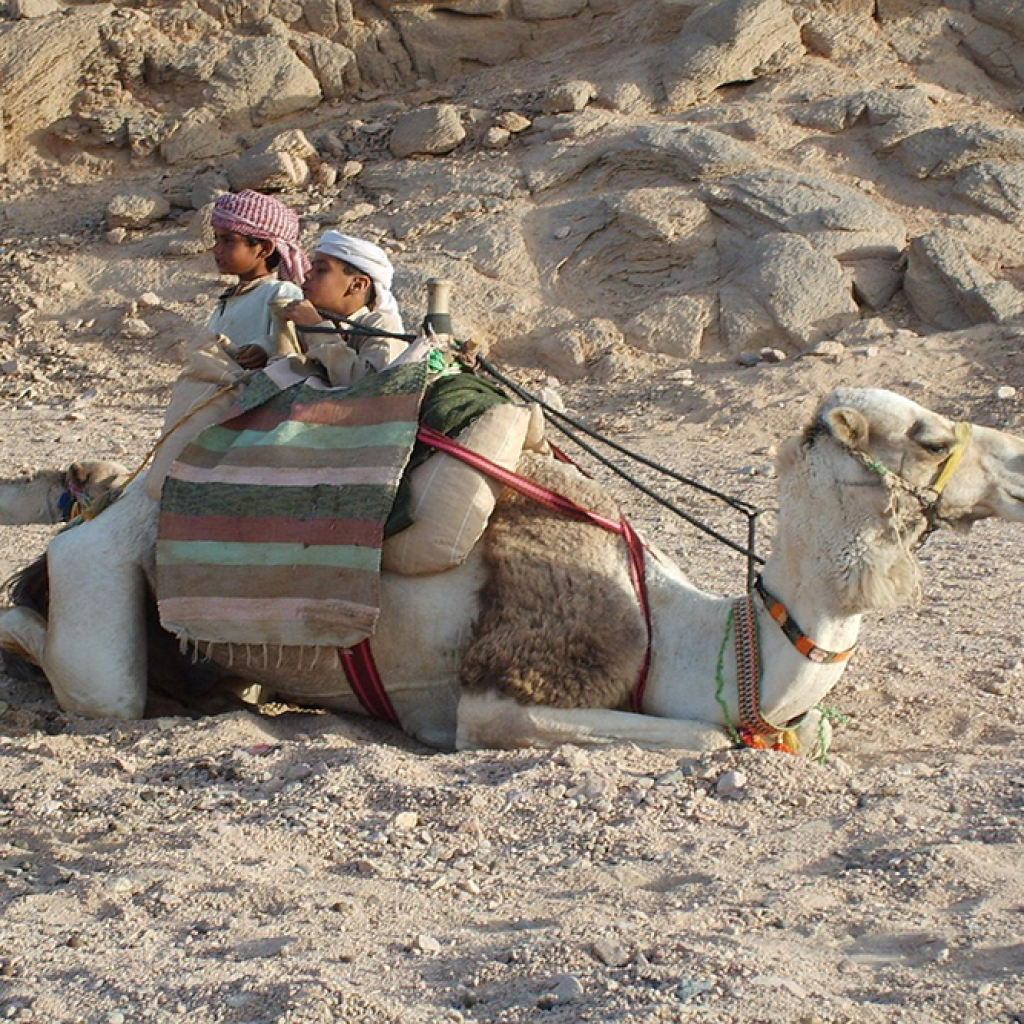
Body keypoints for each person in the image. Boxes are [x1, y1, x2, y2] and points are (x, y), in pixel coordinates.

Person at [280, 231, 409, 387]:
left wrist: (318, 329)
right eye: (312, 267)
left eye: (321, 269)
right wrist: (261, 350)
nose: (307, 274)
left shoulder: (380, 325)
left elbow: (369, 385)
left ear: (358, 285)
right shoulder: (305, 323)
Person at [207, 190, 311, 369]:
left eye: (228, 241)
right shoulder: (228, 299)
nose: (217, 249)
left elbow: (293, 346)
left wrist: (264, 349)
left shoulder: (281, 292)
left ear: (265, 249)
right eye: (216, 239)